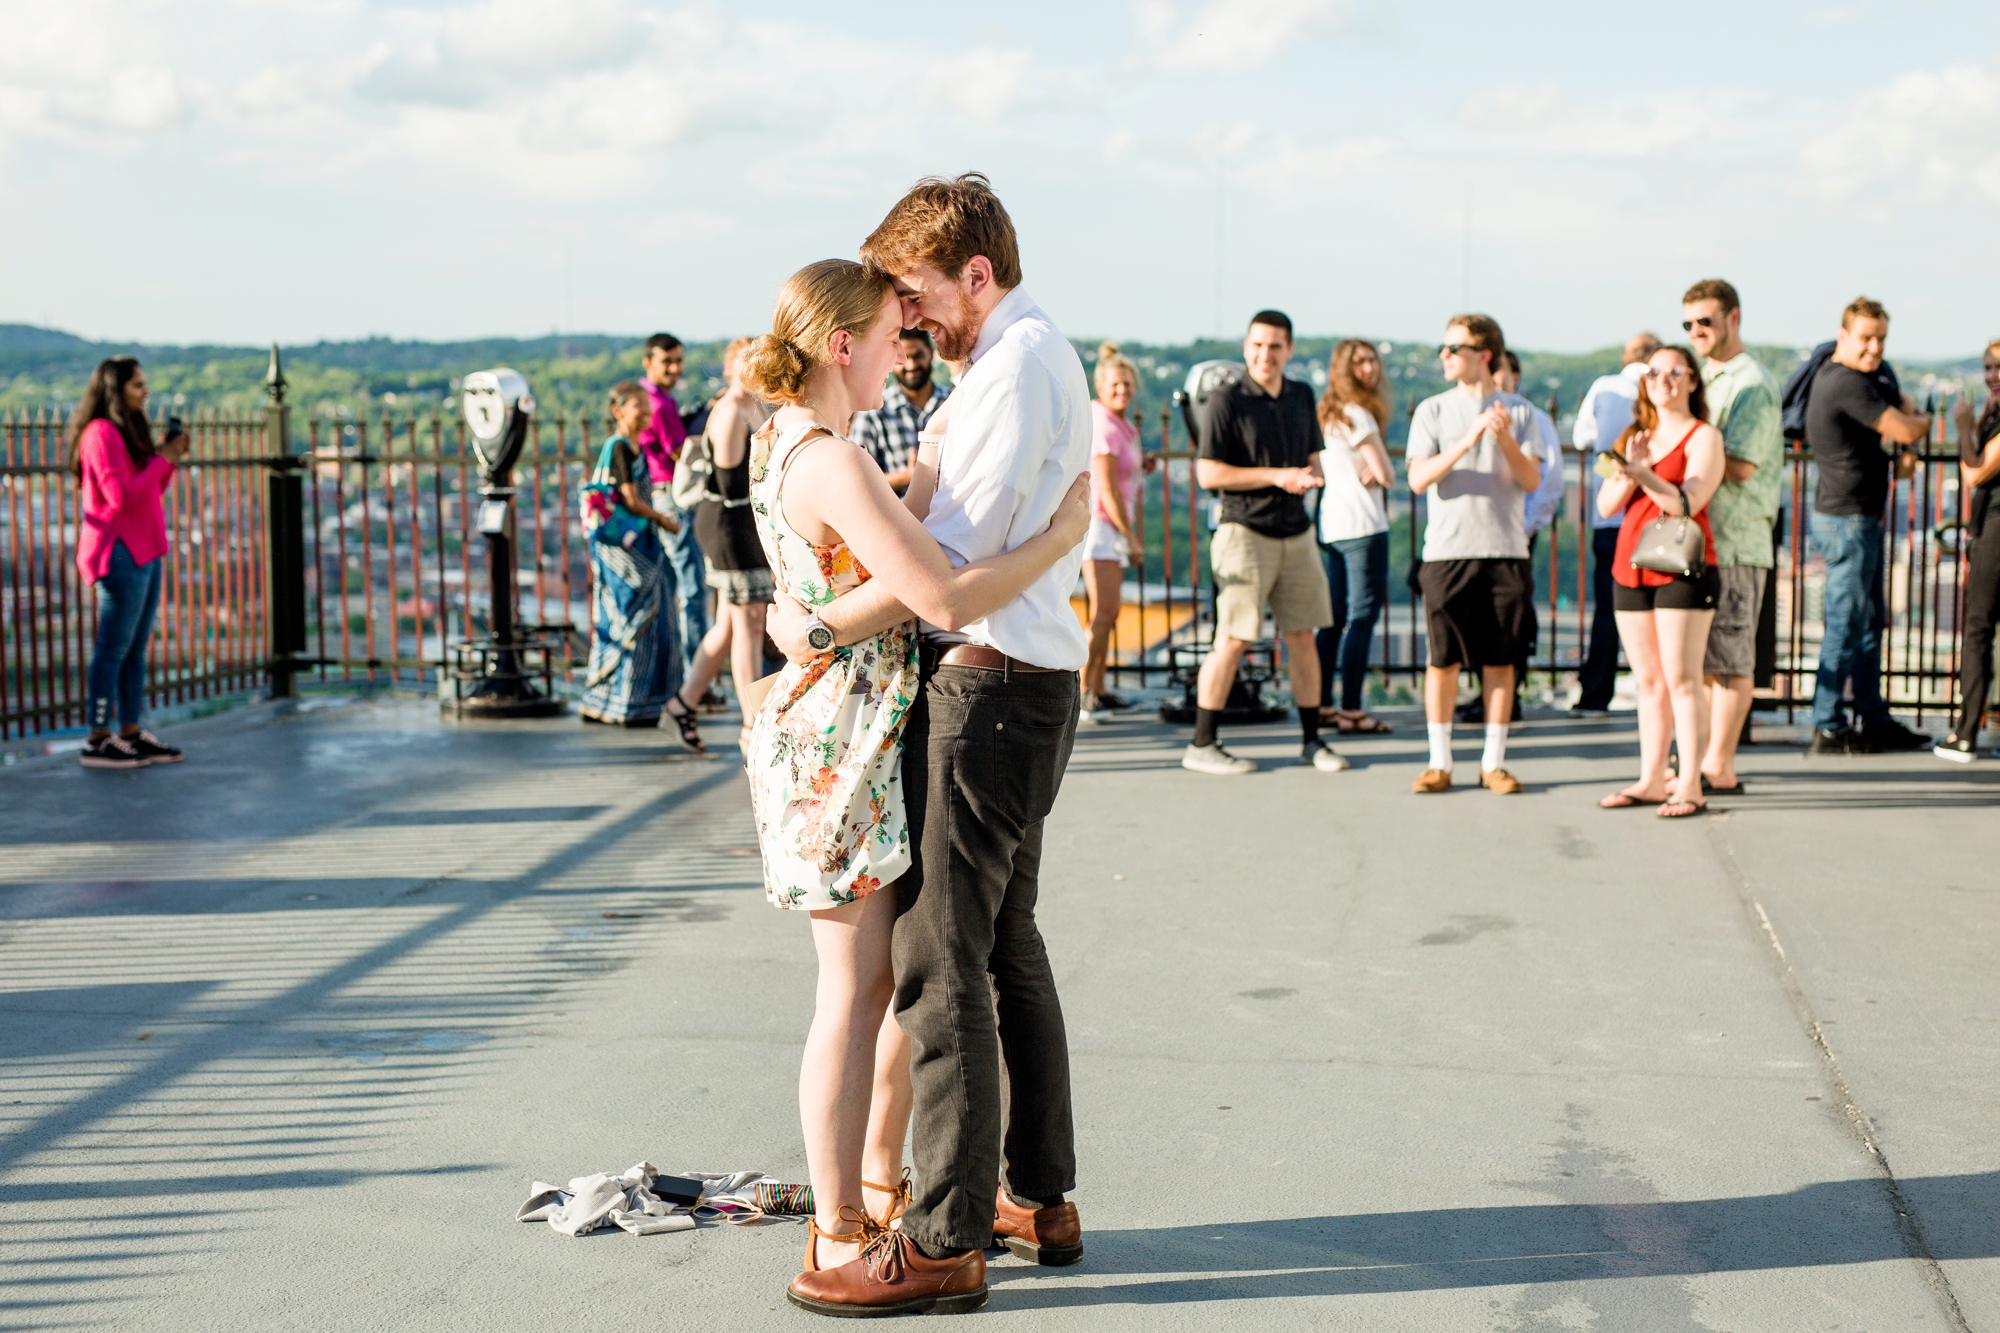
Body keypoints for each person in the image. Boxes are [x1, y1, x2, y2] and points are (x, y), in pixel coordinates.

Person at [768, 174, 1096, 1316]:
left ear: (976, 274)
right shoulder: (1017, 363)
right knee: (1006, 945)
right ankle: (1034, 1195)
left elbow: (943, 582)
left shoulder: (1009, 370)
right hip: (1022, 684)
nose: (907, 318)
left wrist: (805, 626)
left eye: (916, 293)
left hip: (984, 692)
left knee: (938, 962)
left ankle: (947, 1235)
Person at [1182, 309, 1345, 775]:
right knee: (1232, 639)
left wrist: (1310, 478)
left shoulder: (1302, 396)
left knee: (1304, 638)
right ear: (1246, 347)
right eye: (1256, 345)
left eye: (1274, 346)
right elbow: (1208, 473)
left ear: (1289, 350)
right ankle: (1202, 743)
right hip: (1244, 532)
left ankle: (1313, 740)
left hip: (1297, 532)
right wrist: (1277, 476)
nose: (1264, 354)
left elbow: (1314, 460)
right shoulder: (1226, 401)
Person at [1405, 314, 1542, 795]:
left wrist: (1502, 436)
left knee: (1500, 659)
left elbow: (1531, 481)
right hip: (1447, 551)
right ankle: (1438, 761)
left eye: (1454, 348)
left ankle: (1493, 762)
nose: (1444, 355)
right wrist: (1467, 440)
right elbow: (1418, 479)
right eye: (1443, 348)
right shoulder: (1433, 411)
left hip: (1505, 548)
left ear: (1484, 354)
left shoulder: (1521, 412)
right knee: (1442, 659)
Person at [1595, 345, 1723, 819]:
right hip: (1630, 566)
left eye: (1674, 372)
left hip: (1682, 569)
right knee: (1649, 682)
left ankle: (1689, 782)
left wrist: (1645, 473)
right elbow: (1606, 503)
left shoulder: (1703, 436)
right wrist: (1631, 471)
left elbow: (1687, 502)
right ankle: (1651, 778)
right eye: (1654, 372)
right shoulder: (1633, 434)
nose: (1663, 380)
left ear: (1692, 380)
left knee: (1683, 680)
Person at [1803, 297, 1934, 755]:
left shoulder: (1855, 378)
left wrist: (1911, 421)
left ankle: (1871, 717)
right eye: (1866, 337)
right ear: (1844, 336)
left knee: (1867, 622)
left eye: (1880, 338)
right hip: (1847, 519)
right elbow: (1905, 429)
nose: (1874, 347)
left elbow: (1902, 440)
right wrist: (1923, 421)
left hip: (1855, 516)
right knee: (1845, 622)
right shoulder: (1845, 383)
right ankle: (1828, 724)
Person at [1682, 280, 1783, 794]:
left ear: (1733, 318)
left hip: (1738, 539)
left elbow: (1741, 466)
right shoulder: (1704, 375)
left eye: (1706, 321)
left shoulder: (1753, 383)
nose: (1697, 331)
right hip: (1704, 541)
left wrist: (1695, 448)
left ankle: (1719, 764)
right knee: (1703, 662)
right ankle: (1703, 758)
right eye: (1689, 324)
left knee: (1731, 659)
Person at [69, 357, 191, 769]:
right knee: (113, 647)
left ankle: (130, 731)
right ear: (115, 390)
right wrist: (165, 456)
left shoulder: (128, 431)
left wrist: (167, 458)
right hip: (119, 550)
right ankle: (98, 737)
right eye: (137, 385)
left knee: (135, 648)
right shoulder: (100, 435)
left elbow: (152, 487)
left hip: (145, 547)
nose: (145, 392)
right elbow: (121, 495)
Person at [670, 337, 775, 751]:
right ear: (732, 368)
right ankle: (751, 723)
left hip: (742, 525)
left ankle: (683, 703)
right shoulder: (731, 411)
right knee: (748, 624)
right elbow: (733, 485)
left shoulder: (754, 406)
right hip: (729, 527)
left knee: (731, 624)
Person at [1458, 349, 1564, 723]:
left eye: (1501, 378)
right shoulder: (1474, 415)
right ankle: (1483, 694)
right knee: (1477, 616)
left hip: (1515, 532)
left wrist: (1526, 526)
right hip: (1476, 532)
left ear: (1514, 379)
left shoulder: (1530, 418)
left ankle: (1508, 696)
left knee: (1510, 619)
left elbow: (1548, 483)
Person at [578, 382, 689, 728]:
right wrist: (663, 521)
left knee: (639, 616)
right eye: (637, 406)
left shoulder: (634, 446)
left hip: (636, 541)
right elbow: (630, 499)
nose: (646, 411)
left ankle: (628, 699)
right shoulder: (620, 447)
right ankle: (623, 700)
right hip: (626, 549)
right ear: (618, 411)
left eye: (646, 405)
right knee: (633, 617)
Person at [1570, 333, 1661, 715]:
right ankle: (1657, 698)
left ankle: (1597, 692)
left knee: (1608, 610)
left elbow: (1580, 438)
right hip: (1654, 521)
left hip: (1610, 517)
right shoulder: (1659, 395)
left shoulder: (1603, 388)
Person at [1312, 338, 1395, 735]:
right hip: (1364, 524)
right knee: (1361, 618)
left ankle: (1324, 703)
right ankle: (1352, 709)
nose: (1369, 368)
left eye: (1372, 360)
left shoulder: (1327, 413)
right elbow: (1388, 474)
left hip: (1332, 525)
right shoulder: (1358, 414)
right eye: (1360, 361)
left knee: (1333, 620)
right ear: (1345, 368)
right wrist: (1378, 467)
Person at [636, 333, 716, 696]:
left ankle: (675, 677)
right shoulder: (660, 404)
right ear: (648, 363)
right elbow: (678, 454)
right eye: (666, 362)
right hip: (675, 494)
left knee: (672, 589)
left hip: (655, 497)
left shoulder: (648, 398)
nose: (674, 369)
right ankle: (698, 683)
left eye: (678, 361)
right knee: (692, 591)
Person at [1935, 339, 2000, 761]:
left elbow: (1975, 473)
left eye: (1998, 368)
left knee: (1977, 629)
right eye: (1988, 368)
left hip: (1997, 529)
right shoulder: (1993, 413)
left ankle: (1965, 733)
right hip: (1988, 529)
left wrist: (1962, 428)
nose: (1991, 376)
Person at [1080, 340, 1150, 715]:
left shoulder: (1119, 424)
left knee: (1109, 613)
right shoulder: (1105, 426)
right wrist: (1131, 537)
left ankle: (1099, 686)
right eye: (1115, 385)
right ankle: (1084, 689)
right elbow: (1106, 489)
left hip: (1110, 528)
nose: (1122, 391)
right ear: (1101, 388)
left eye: (1127, 384)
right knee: (1103, 613)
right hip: (1104, 528)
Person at [850, 327, 950, 493]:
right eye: (903, 358)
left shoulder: (952, 402)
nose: (911, 365)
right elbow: (858, 480)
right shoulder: (873, 411)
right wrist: (909, 477)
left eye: (918, 356)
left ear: (931, 353)